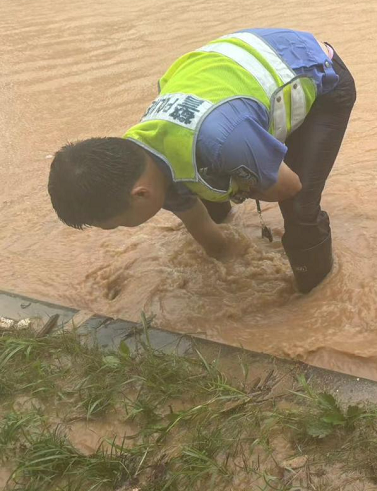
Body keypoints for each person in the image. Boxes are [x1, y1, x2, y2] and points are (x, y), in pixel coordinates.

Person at [48, 28, 357, 293]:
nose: (122, 228)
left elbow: (288, 186)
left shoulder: (222, 141)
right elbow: (202, 228)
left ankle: (315, 293)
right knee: (205, 185)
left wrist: (241, 183)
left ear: (140, 194)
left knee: (299, 208)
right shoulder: (141, 154)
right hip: (237, 71)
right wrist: (239, 264)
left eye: (117, 225)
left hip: (317, 71)